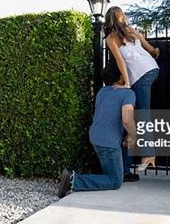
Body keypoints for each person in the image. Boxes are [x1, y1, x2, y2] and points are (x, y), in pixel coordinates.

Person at [57, 61, 137, 198]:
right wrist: (134, 135)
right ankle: (74, 180)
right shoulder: (127, 93)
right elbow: (126, 119)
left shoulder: (102, 91)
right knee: (115, 181)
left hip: (96, 137)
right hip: (108, 142)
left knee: (113, 165)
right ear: (121, 76)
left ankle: (118, 170)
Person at [103, 6, 160, 177]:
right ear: (122, 18)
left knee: (143, 114)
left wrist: (127, 83)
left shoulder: (111, 38)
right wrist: (156, 52)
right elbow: (150, 49)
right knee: (134, 116)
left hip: (141, 76)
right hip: (153, 69)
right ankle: (129, 165)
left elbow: (120, 61)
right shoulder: (132, 31)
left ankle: (149, 154)